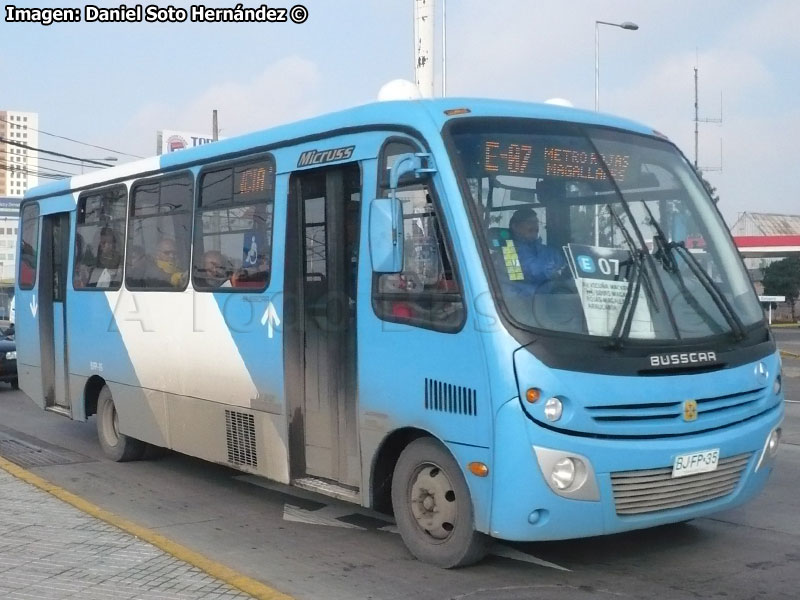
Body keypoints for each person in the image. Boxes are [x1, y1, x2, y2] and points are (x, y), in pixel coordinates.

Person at [508, 208, 566, 291]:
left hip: (555, 298)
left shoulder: (549, 251)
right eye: (529, 222)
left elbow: (565, 270)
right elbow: (529, 274)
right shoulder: (509, 251)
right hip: (524, 301)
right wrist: (554, 272)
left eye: (536, 222)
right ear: (515, 226)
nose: (535, 226)